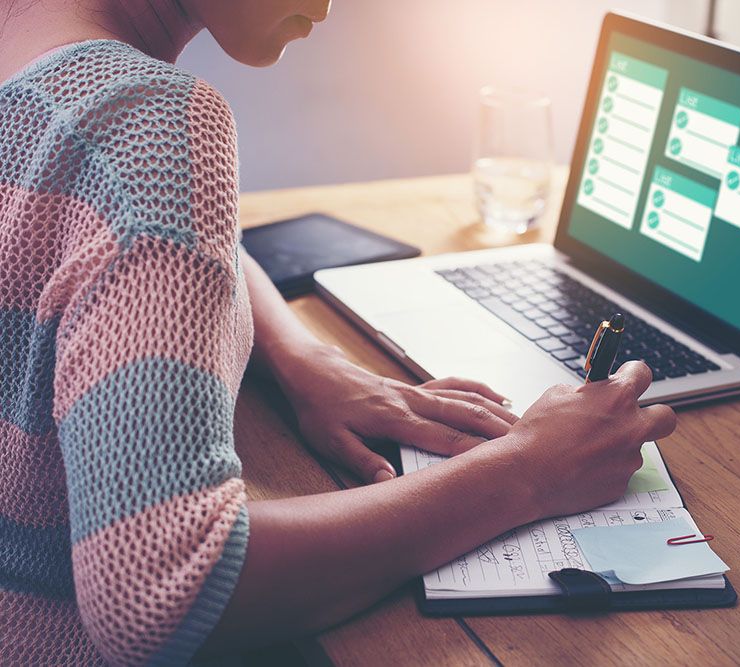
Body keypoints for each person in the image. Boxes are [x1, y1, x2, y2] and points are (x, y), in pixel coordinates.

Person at [0, 1, 677, 664]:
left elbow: (146, 231)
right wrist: (528, 471)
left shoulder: (40, 61)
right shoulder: (145, 127)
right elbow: (162, 590)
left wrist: (301, 356)